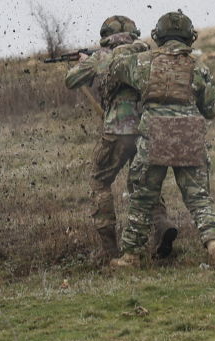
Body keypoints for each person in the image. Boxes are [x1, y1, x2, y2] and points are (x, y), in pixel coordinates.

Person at [108, 11, 215, 269]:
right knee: (199, 197)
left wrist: (135, 46)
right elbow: (211, 109)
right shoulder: (199, 67)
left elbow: (116, 66)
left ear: (158, 36)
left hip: (154, 135)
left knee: (142, 198)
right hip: (188, 135)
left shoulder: (142, 63)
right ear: (190, 38)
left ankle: (130, 256)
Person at [65, 16, 178, 261]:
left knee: (99, 181)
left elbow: (71, 80)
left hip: (118, 130)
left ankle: (110, 250)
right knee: (144, 183)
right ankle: (162, 227)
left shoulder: (103, 56)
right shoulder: (147, 52)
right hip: (149, 126)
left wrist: (87, 63)